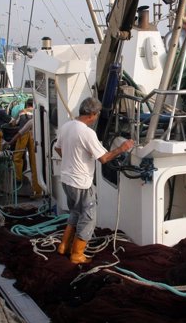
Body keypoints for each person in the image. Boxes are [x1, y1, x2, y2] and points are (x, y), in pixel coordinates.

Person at [54, 97, 134, 264]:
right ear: (92, 114)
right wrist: (122, 148)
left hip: (67, 180)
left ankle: (63, 247)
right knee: (88, 217)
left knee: (75, 212)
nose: (97, 117)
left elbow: (58, 147)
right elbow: (104, 158)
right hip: (81, 183)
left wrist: (72, 160)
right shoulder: (87, 133)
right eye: (97, 115)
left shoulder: (67, 126)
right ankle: (77, 255)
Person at [7, 98, 42, 198]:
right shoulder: (36, 113)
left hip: (23, 135)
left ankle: (18, 177)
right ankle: (37, 187)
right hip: (33, 136)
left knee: (17, 156)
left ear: (26, 105)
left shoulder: (21, 111)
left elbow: (14, 123)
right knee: (33, 161)